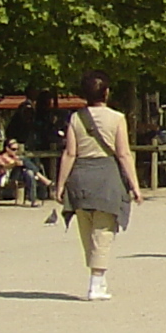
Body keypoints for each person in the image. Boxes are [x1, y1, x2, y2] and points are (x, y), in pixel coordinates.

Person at [59, 70, 144, 300]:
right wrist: (135, 185)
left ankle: (99, 278)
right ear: (106, 92)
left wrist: (60, 184)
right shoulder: (117, 118)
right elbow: (124, 153)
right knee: (103, 231)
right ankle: (96, 282)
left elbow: (69, 153)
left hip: (80, 176)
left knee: (87, 230)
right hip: (106, 177)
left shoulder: (76, 118)